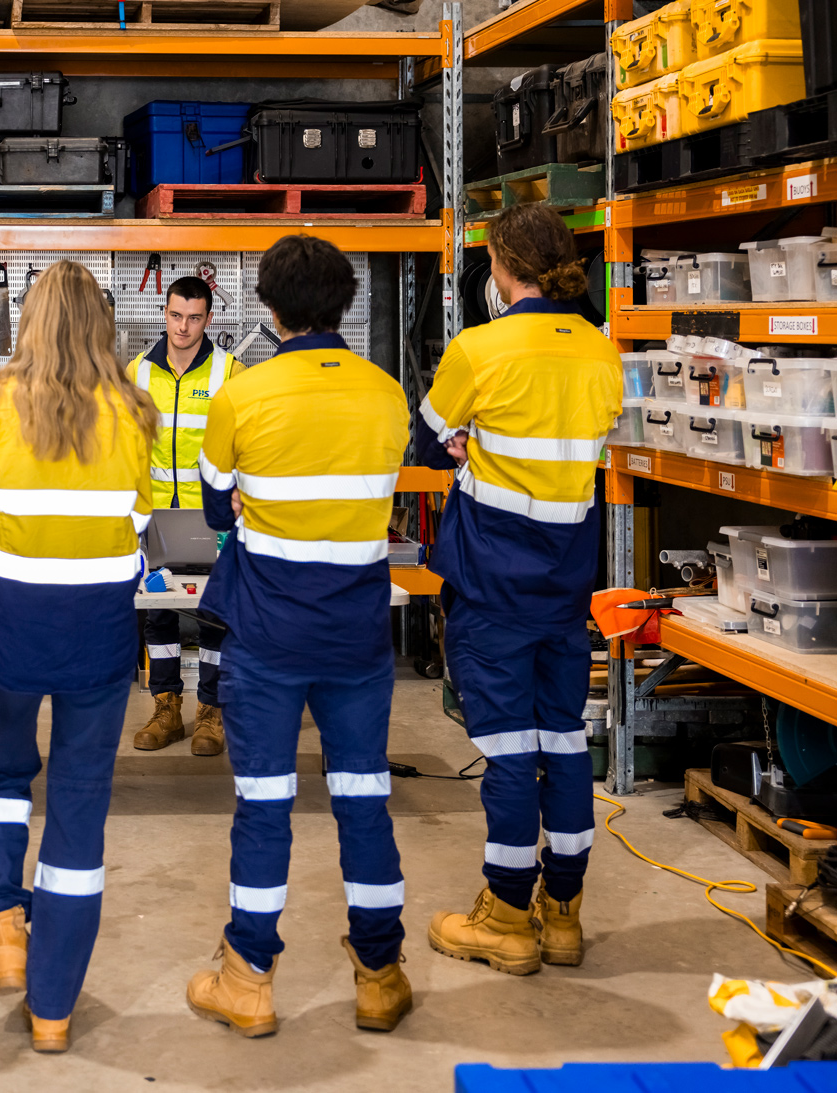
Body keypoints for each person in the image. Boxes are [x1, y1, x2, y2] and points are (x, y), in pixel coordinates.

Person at [186, 235, 412, 1037]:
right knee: (364, 799)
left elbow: (217, 511)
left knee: (264, 804)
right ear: (344, 303)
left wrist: (253, 503)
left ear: (270, 308)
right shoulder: (386, 394)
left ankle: (247, 979)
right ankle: (380, 976)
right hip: (357, 633)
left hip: (269, 636)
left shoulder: (243, 395)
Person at [0, 260, 157, 1054]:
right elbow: (139, 520)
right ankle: (54, 1009)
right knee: (78, 805)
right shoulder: (135, 413)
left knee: (3, 771)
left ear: (29, 323)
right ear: (102, 326)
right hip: (96, 634)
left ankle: (5, 916)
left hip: (7, 626)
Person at [418, 203, 622, 975]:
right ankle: (562, 914)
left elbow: (430, 432)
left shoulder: (482, 346)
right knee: (564, 741)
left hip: (493, 584)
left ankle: (505, 915)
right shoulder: (602, 350)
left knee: (509, 751)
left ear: (502, 270)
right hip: (565, 585)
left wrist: (467, 445)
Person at [127, 277, 240, 756]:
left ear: (209, 319)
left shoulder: (230, 372)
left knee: (215, 615)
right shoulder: (137, 372)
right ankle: (167, 707)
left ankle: (210, 712)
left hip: (213, 518)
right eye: (176, 316)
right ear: (164, 313)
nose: (183, 327)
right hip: (154, 517)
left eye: (194, 318)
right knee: (157, 615)